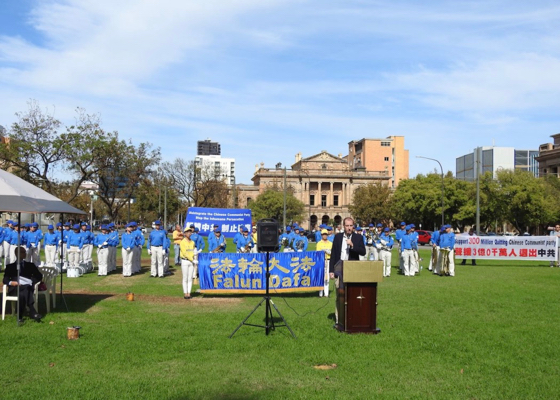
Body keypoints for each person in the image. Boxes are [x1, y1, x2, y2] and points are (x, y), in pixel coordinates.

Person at [328, 217, 366, 327]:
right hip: (339, 269)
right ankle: (338, 320)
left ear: (353, 226)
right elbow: (333, 254)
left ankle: (351, 318)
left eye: (351, 226)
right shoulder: (338, 237)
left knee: (352, 295)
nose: (349, 228)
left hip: (353, 270)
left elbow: (363, 252)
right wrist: (331, 271)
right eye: (347, 226)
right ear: (343, 226)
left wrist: (353, 245)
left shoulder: (358, 237)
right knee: (339, 296)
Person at [3, 246, 43, 322]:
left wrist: (31, 281)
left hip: (27, 286)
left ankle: (20, 317)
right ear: (17, 254)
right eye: (23, 252)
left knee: (23, 293)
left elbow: (39, 276)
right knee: (25, 290)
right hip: (15, 288)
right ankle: (32, 310)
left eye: (25, 252)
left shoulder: (30, 265)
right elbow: (5, 280)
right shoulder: (10, 267)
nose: (25, 254)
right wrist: (12, 282)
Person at [180, 227, 197, 299]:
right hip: (185, 261)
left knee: (190, 278)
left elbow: (193, 251)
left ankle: (189, 293)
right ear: (184, 233)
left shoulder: (192, 242)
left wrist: (195, 254)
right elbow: (184, 253)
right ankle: (185, 293)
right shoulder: (182, 242)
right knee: (185, 278)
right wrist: (192, 259)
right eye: (187, 232)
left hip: (191, 261)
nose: (189, 233)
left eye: (190, 232)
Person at [316, 229, 332, 297]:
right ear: (321, 235)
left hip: (328, 260)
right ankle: (320, 293)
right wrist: (322, 251)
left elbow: (333, 252)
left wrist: (329, 252)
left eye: (326, 234)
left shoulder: (330, 243)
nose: (324, 236)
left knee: (327, 277)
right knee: (321, 276)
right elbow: (317, 253)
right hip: (321, 261)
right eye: (323, 234)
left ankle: (326, 293)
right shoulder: (319, 243)